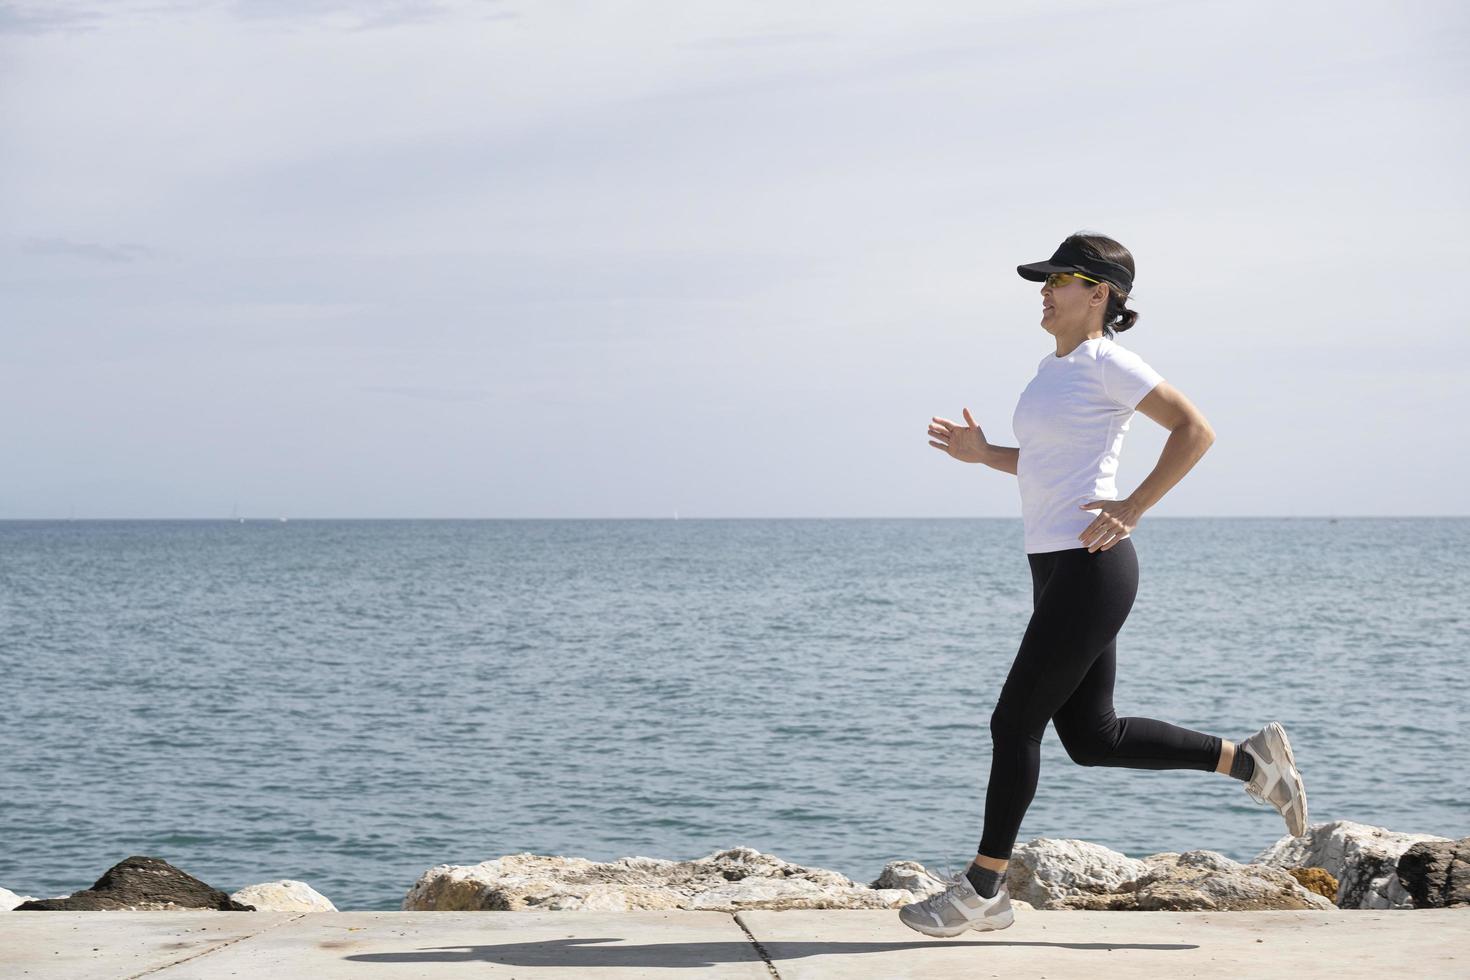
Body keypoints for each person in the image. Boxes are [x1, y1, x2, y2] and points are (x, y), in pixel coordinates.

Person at [898, 231, 1309, 939]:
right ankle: (1250, 762)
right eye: (1045, 279)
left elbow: (1194, 429)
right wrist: (981, 454)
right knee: (1092, 737)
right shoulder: (1050, 370)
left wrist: (1134, 505)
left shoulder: (1110, 363)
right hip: (1056, 564)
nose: (1046, 291)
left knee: (1012, 722)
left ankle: (982, 889)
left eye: (1061, 279)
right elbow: (1046, 464)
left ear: (1101, 294)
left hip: (1095, 565)